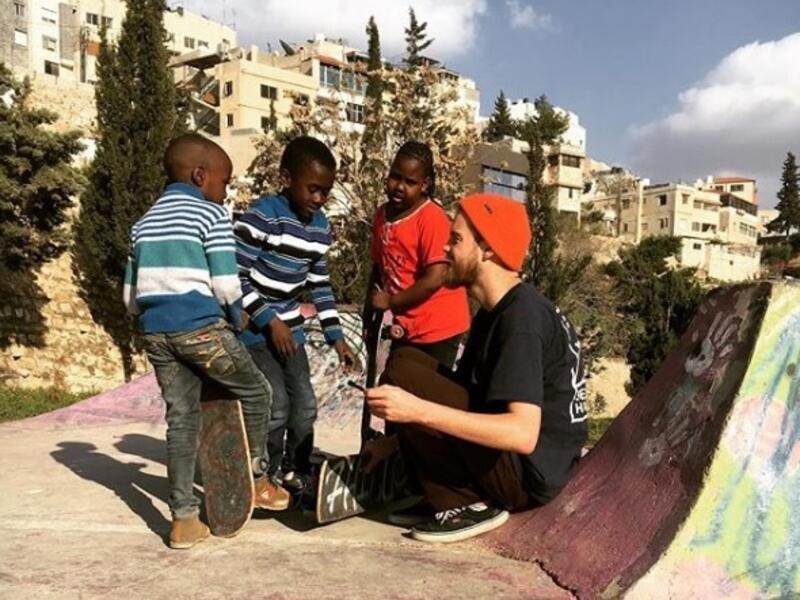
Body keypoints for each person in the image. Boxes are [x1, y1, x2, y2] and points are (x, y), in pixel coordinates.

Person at [363, 193, 588, 543]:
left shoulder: (521, 320)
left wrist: (416, 412)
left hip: (526, 478)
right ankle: (423, 479)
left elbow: (522, 434)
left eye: (455, 239)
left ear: (487, 249)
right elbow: (468, 395)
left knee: (405, 380)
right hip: (516, 463)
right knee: (405, 362)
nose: (445, 249)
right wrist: (399, 441)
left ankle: (466, 503)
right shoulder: (494, 312)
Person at [123, 133, 290, 550]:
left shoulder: (142, 224)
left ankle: (183, 520)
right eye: (224, 181)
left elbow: (130, 300)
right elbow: (227, 285)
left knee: (181, 420)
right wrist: (234, 319)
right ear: (200, 176)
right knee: (256, 392)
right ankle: (258, 479)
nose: (226, 191)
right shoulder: (211, 215)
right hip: (201, 329)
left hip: (156, 334)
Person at [234, 136, 357, 494]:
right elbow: (235, 277)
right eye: (312, 189)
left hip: (291, 330)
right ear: (286, 178)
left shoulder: (320, 228)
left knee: (304, 406)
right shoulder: (263, 216)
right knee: (276, 404)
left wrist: (338, 340)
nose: (319, 198)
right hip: (255, 331)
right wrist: (270, 321)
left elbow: (320, 286)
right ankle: (265, 474)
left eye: (326, 192)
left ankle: (297, 472)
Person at [365, 141, 470, 369]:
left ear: (425, 185)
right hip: (408, 324)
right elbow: (378, 268)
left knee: (423, 387)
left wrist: (390, 301)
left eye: (410, 182)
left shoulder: (431, 218)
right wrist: (368, 317)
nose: (399, 186)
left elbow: (435, 278)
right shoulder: (382, 215)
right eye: (395, 177)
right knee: (395, 379)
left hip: (439, 326)